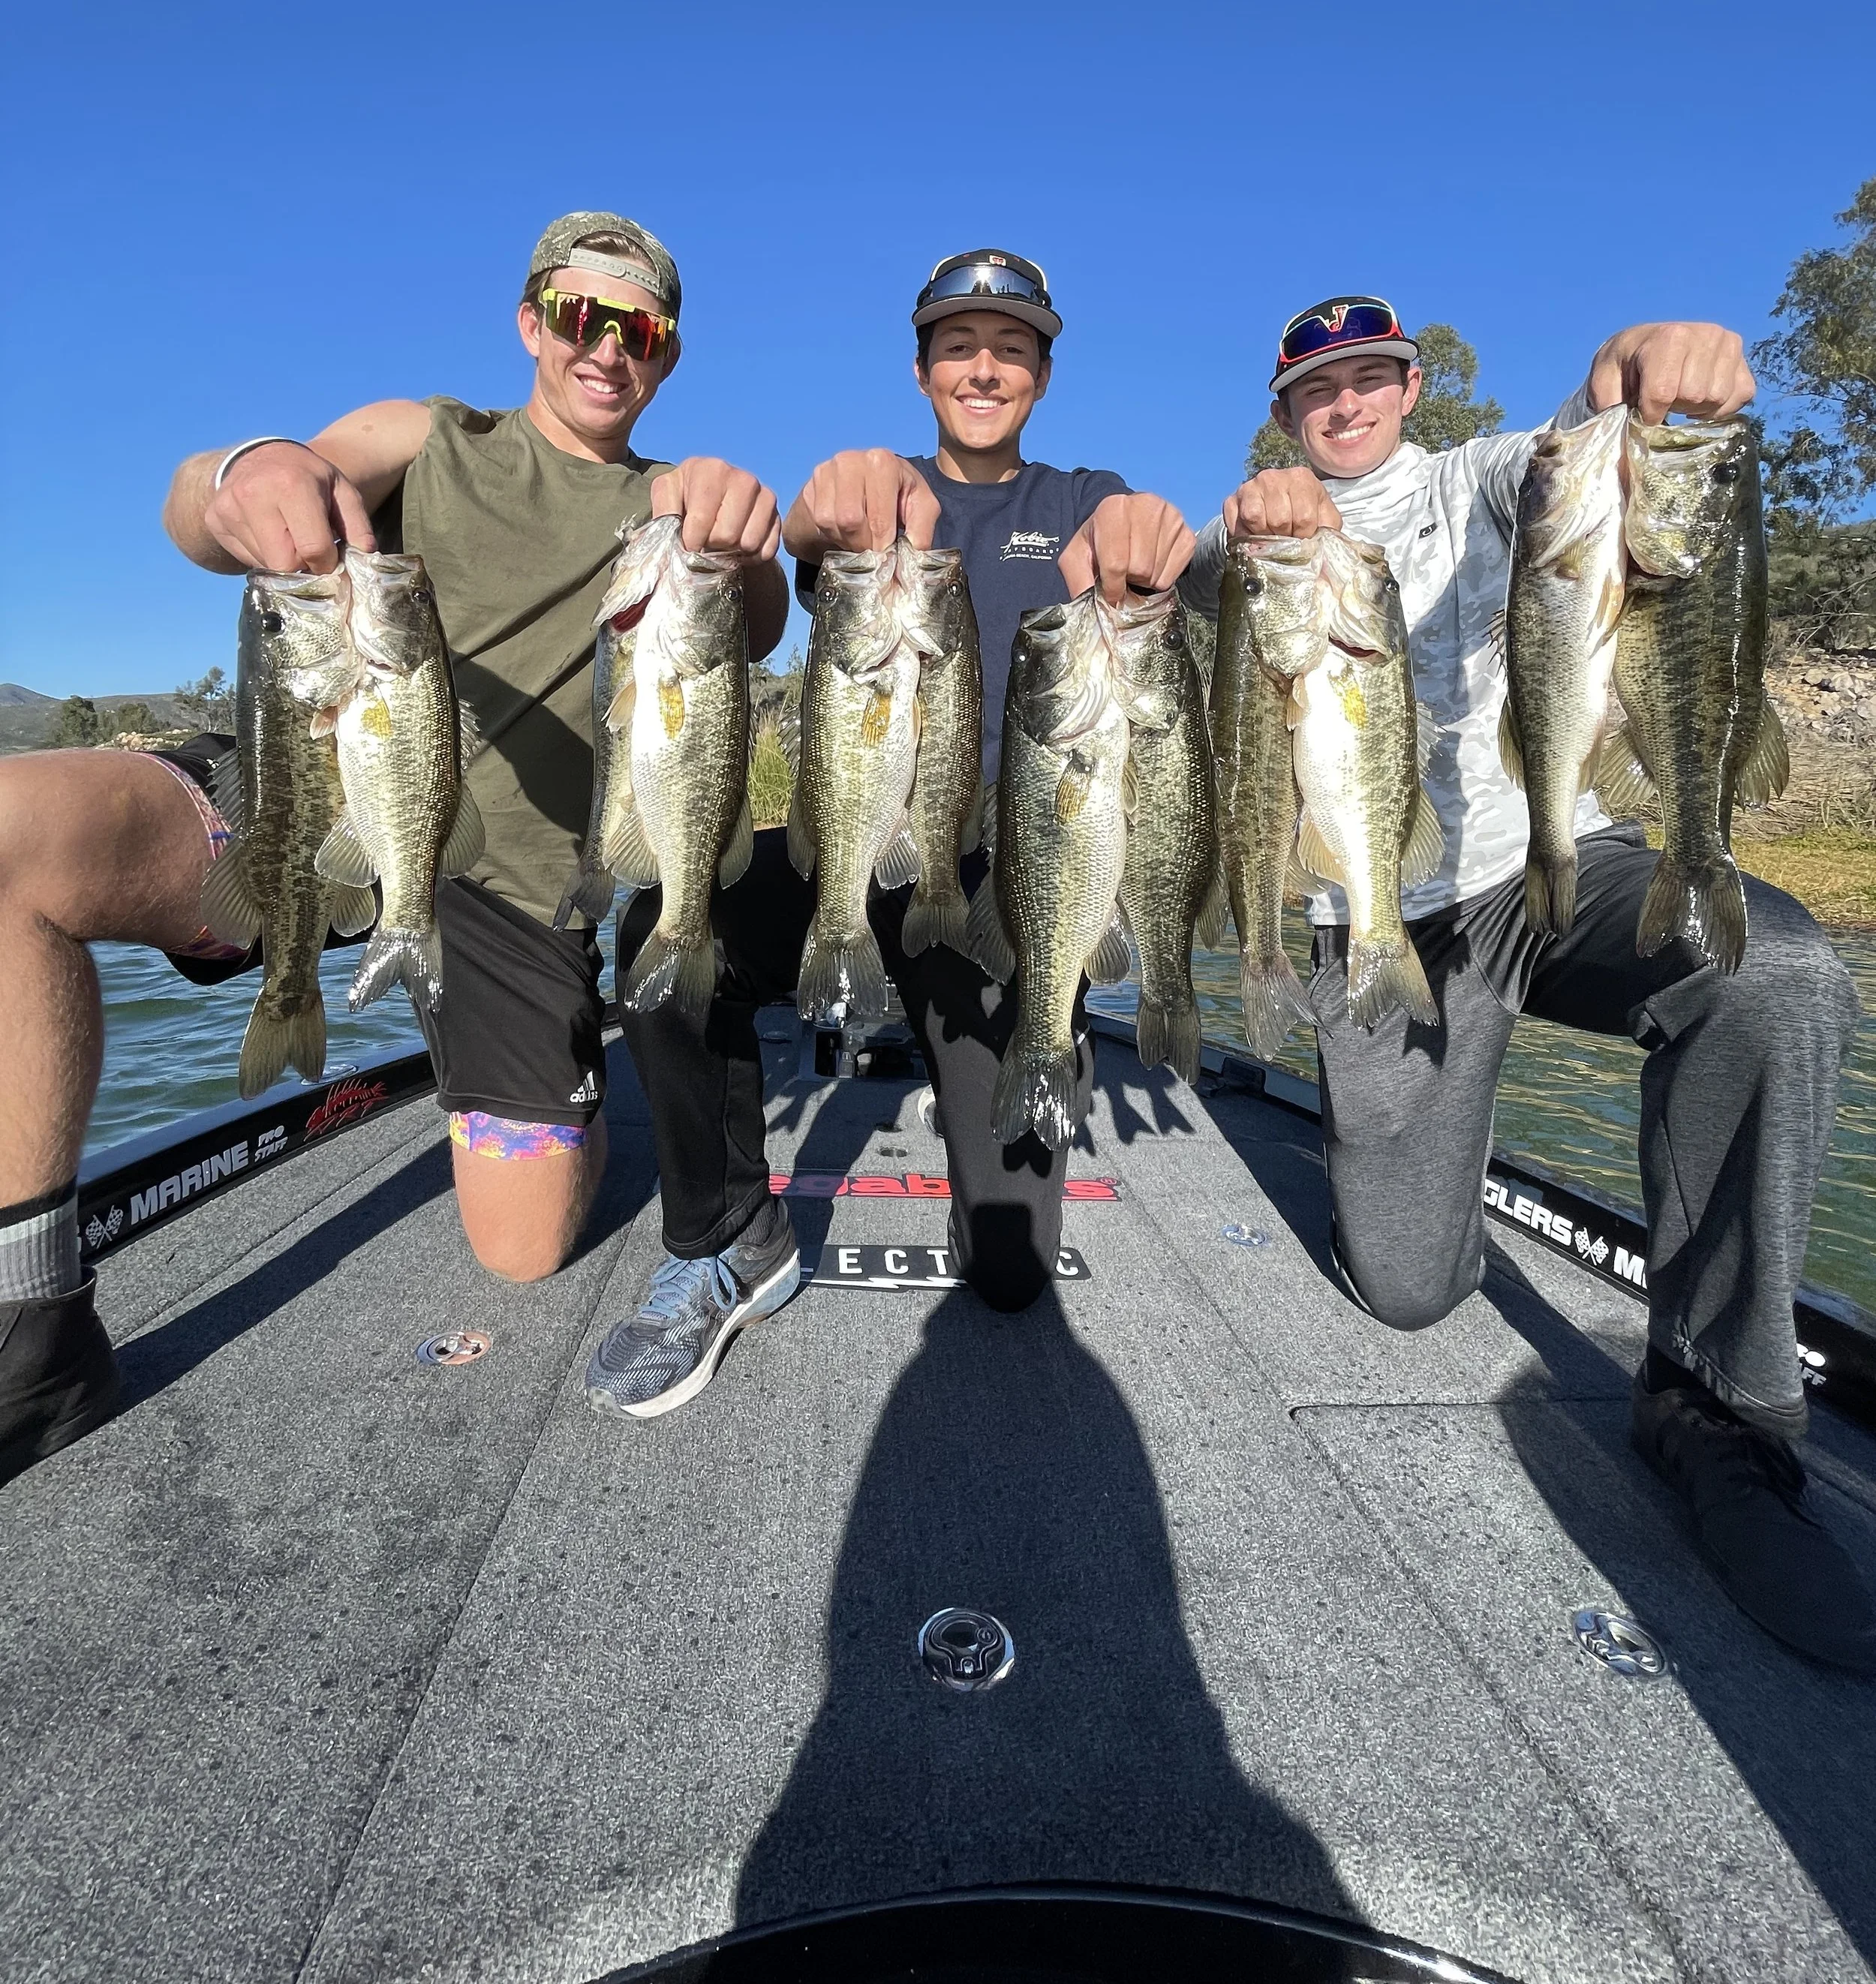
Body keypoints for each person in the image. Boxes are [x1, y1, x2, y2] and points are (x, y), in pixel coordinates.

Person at [0, 211, 800, 1487]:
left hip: (503, 893)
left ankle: (550, 1066)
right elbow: (203, 511)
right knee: (9, 836)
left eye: (638, 330)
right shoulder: (426, 435)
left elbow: (751, 632)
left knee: (524, 1249)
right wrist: (243, 471)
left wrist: (740, 534)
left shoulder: (667, 507)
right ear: (532, 322)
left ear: (669, 355)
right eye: (581, 316)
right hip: (303, 789)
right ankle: (29, 1328)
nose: (607, 349)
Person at [1181, 294, 1871, 1674]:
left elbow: (1575, 442)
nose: (1347, 405)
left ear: (1412, 385)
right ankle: (1442, 1154)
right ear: (1284, 413)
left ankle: (1718, 1406)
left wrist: (1635, 375)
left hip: (1559, 862)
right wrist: (1232, 532)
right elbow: (1199, 576)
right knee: (1408, 1291)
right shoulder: (1259, 533)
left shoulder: (1489, 478)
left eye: (1370, 379)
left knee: (1775, 973)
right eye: (1317, 392)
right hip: (1390, 918)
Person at [580, 246, 1195, 1420]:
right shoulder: (877, 506)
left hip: (1006, 883)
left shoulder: (1079, 497)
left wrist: (1148, 535)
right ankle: (727, 1235)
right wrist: (820, 509)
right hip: (860, 848)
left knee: (1011, 1274)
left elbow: (1151, 541)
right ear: (920, 371)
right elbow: (803, 539)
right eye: (959, 346)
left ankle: (1004, 1046)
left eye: (1012, 349)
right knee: (666, 917)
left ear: (1044, 377)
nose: (985, 368)